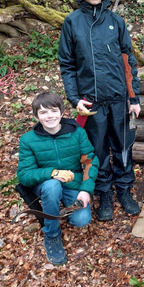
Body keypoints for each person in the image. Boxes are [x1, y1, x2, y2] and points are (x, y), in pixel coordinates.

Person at [58, 0, 141, 221]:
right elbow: (67, 65)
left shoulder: (116, 21)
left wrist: (134, 97)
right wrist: (75, 100)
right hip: (91, 103)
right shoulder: (72, 22)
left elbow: (129, 61)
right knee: (98, 151)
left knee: (123, 147)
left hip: (119, 100)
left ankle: (124, 190)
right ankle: (104, 193)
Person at [17, 92, 99, 266]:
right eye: (43, 112)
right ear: (36, 116)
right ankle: (52, 235)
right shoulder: (27, 140)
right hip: (46, 185)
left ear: (61, 112)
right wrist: (52, 173)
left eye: (53, 111)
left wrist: (85, 190)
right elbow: (24, 175)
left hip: (72, 182)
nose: (49, 116)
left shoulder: (77, 133)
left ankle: (60, 208)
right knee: (52, 187)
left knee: (81, 220)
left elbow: (90, 162)